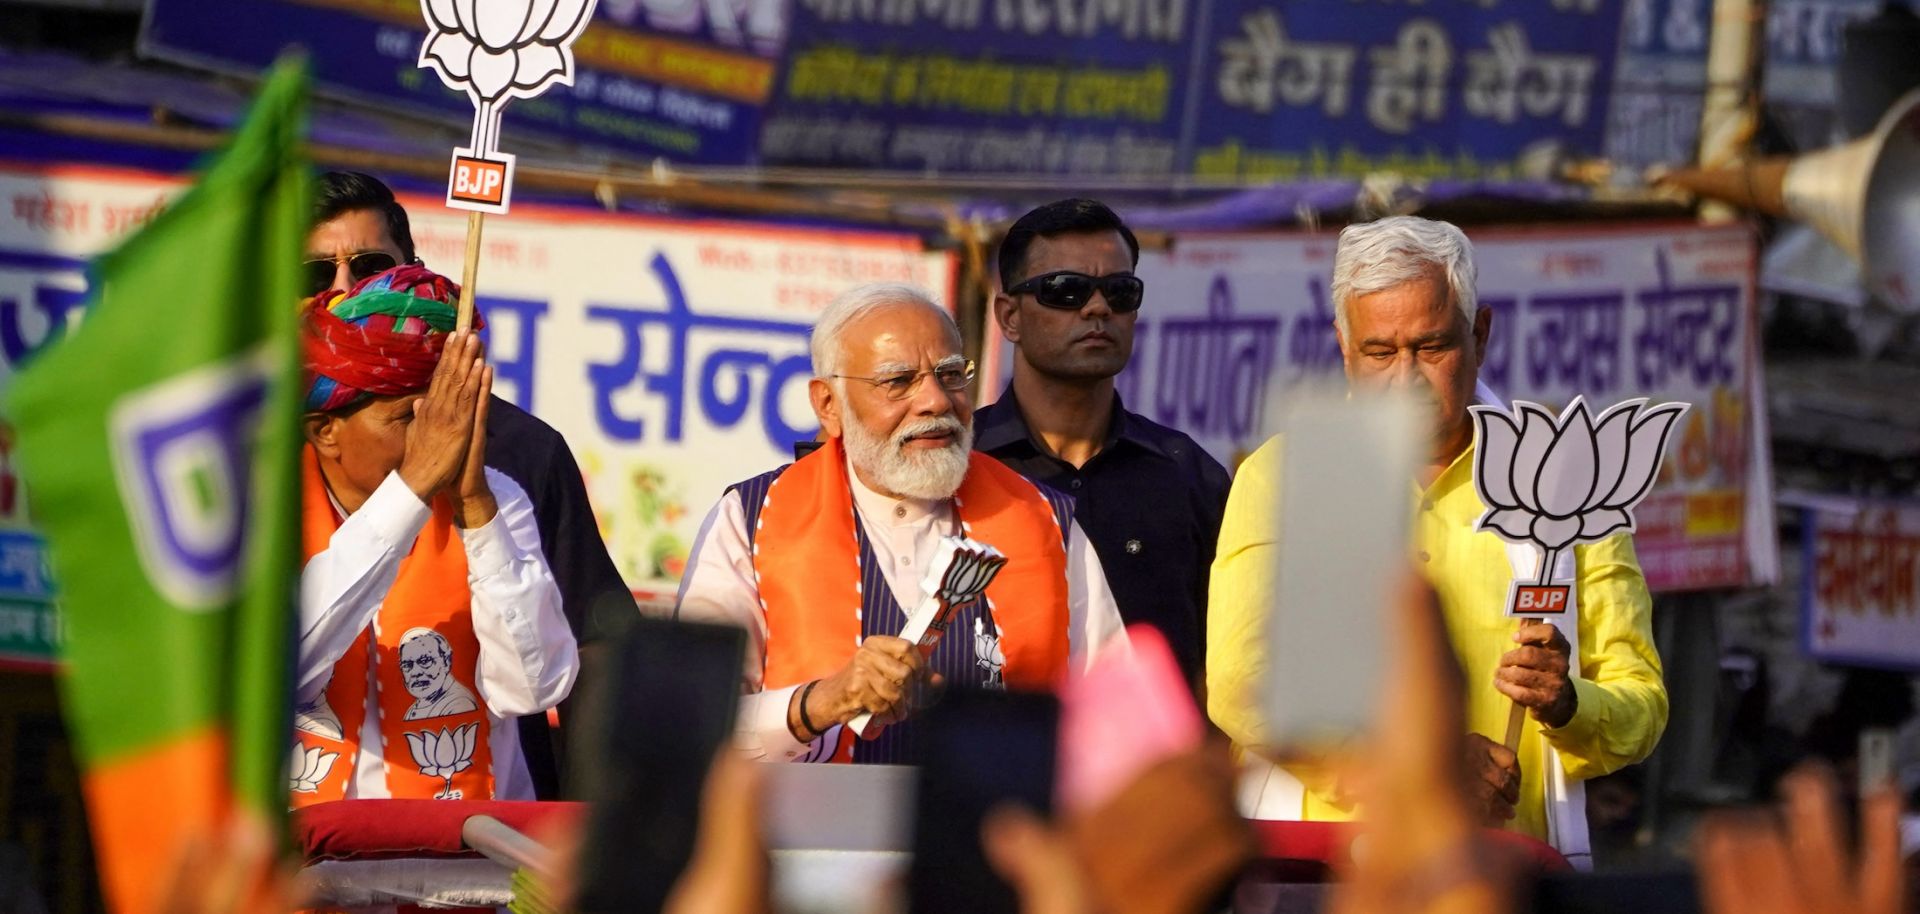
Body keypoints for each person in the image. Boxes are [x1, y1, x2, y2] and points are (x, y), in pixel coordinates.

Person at [1207, 216, 1667, 862]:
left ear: (1481, 336)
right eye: (1380, 352)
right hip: (1321, 875)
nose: (1406, 379)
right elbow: (1241, 683)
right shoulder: (1282, 476)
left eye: (1431, 348)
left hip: (1502, 872)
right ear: (1343, 345)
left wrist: (1566, 703)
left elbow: (1639, 705)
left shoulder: (1565, 483)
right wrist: (1425, 768)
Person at [675, 282, 1128, 764]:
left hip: (994, 833)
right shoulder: (752, 519)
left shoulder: (1042, 520)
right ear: (829, 405)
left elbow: (1120, 720)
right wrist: (818, 704)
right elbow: (686, 719)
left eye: (951, 375)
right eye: (898, 381)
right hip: (802, 834)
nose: (935, 401)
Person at [308, 172, 631, 795]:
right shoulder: (253, 459)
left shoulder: (513, 457)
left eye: (369, 268)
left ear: (410, 271)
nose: (341, 292)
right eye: (314, 275)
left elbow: (565, 668)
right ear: (324, 430)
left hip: (474, 856)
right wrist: (411, 487)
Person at [292, 264, 577, 804]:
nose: (438, 438)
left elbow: (535, 687)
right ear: (326, 431)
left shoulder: (494, 500)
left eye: (448, 415)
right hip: (315, 870)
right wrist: (412, 487)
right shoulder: (270, 508)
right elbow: (288, 668)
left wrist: (474, 509)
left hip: (464, 871)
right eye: (408, 419)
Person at [974, 199, 1230, 682]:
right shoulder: (955, 467)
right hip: (989, 754)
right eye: (1065, 291)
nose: (1097, 308)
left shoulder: (1188, 476)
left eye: (1119, 291)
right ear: (1009, 317)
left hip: (1152, 757)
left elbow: (1226, 668)